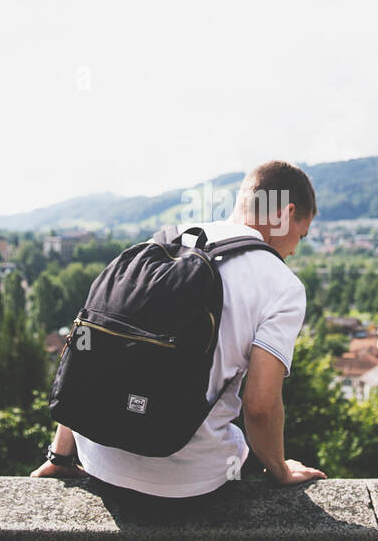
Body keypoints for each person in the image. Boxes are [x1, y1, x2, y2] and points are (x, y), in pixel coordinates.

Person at [30, 160, 327, 508]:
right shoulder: (282, 285)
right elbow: (260, 407)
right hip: (188, 483)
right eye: (301, 235)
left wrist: (61, 457)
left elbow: (95, 348)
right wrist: (281, 471)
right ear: (288, 213)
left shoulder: (163, 242)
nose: (294, 249)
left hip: (97, 459)